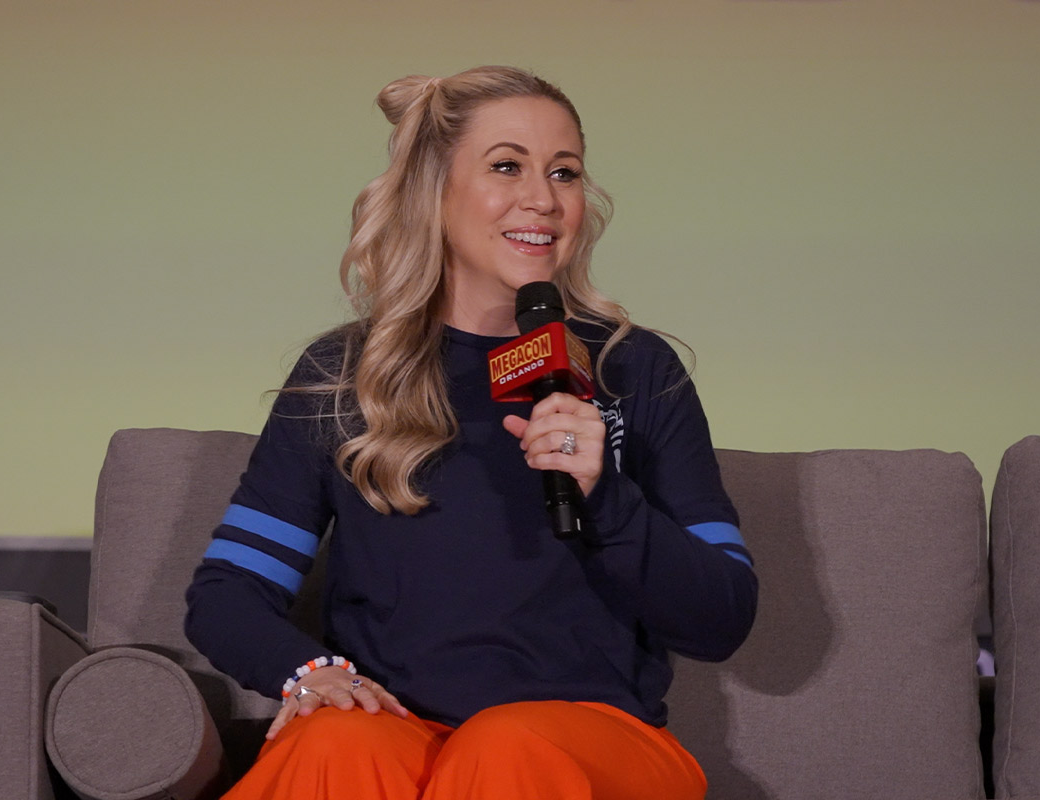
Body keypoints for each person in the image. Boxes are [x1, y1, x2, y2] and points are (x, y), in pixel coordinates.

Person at [185, 65, 757, 800]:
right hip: (400, 735)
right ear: (435, 191)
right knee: (334, 742)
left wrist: (605, 497)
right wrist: (313, 674)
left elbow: (723, 616)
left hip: (590, 740)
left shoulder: (634, 367)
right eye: (507, 166)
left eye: (565, 172)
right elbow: (230, 590)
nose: (544, 199)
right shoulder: (344, 372)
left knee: (503, 748)